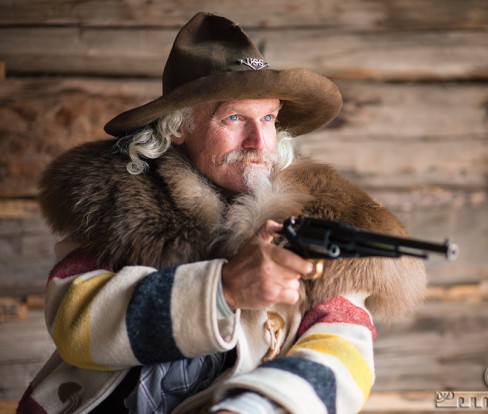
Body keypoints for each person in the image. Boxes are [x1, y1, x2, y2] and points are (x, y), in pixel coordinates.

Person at [17, 12, 426, 414]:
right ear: (177, 127)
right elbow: (77, 324)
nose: (259, 141)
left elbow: (344, 343)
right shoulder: (119, 199)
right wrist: (221, 290)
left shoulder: (326, 214)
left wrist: (258, 406)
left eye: (268, 118)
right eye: (234, 118)